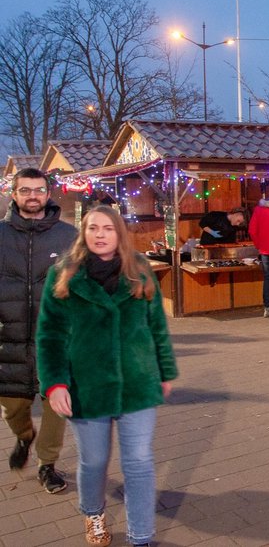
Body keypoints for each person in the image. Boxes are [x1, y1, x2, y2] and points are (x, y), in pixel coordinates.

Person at [35, 205, 178, 547]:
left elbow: (156, 324)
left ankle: (141, 536)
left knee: (139, 461)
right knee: (95, 460)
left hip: (137, 383)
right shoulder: (64, 274)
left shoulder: (139, 269)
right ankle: (94, 514)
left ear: (119, 233)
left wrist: (164, 370)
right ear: (84, 234)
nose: (100, 234)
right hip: (87, 386)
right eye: (93, 228)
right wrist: (54, 383)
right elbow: (49, 334)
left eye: (108, 228)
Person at [0, 168, 76, 494]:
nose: (33, 195)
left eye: (39, 190)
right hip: (8, 335)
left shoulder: (69, 236)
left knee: (55, 403)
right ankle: (23, 435)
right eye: (25, 190)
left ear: (48, 194)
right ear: (14, 194)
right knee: (13, 406)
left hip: (54, 338)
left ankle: (48, 464)